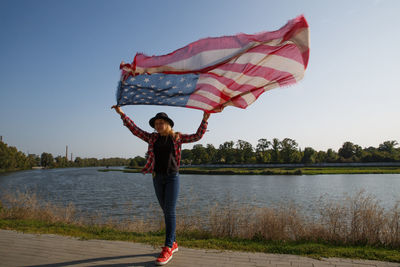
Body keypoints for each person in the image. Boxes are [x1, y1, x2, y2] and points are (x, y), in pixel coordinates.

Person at [111, 105, 210, 265]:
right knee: (166, 211)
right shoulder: (152, 138)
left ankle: (168, 247)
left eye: (161, 122)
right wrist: (122, 114)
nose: (158, 125)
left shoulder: (176, 137)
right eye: (156, 123)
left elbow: (197, 136)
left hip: (172, 178)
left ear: (168, 124)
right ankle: (174, 242)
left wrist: (204, 120)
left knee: (169, 211)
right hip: (157, 178)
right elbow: (134, 129)